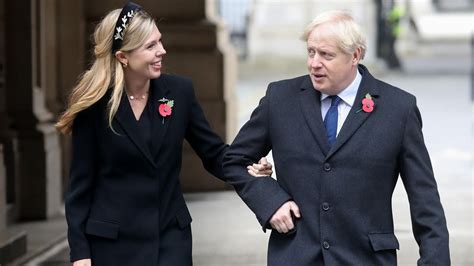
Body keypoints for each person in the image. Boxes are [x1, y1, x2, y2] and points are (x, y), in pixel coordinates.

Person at [223, 10, 450, 265]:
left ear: (355, 55)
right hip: (295, 256)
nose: (314, 63)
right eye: (311, 52)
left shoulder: (398, 108)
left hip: (366, 258)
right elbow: (234, 160)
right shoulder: (280, 99)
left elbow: (425, 200)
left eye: (326, 55)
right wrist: (270, 201)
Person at [55, 2, 272, 266]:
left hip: (170, 241)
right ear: (123, 57)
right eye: (150, 46)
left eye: (159, 41)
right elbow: (80, 188)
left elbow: (213, 153)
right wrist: (80, 254)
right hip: (111, 246)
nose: (162, 51)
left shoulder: (179, 92)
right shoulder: (94, 107)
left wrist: (248, 166)